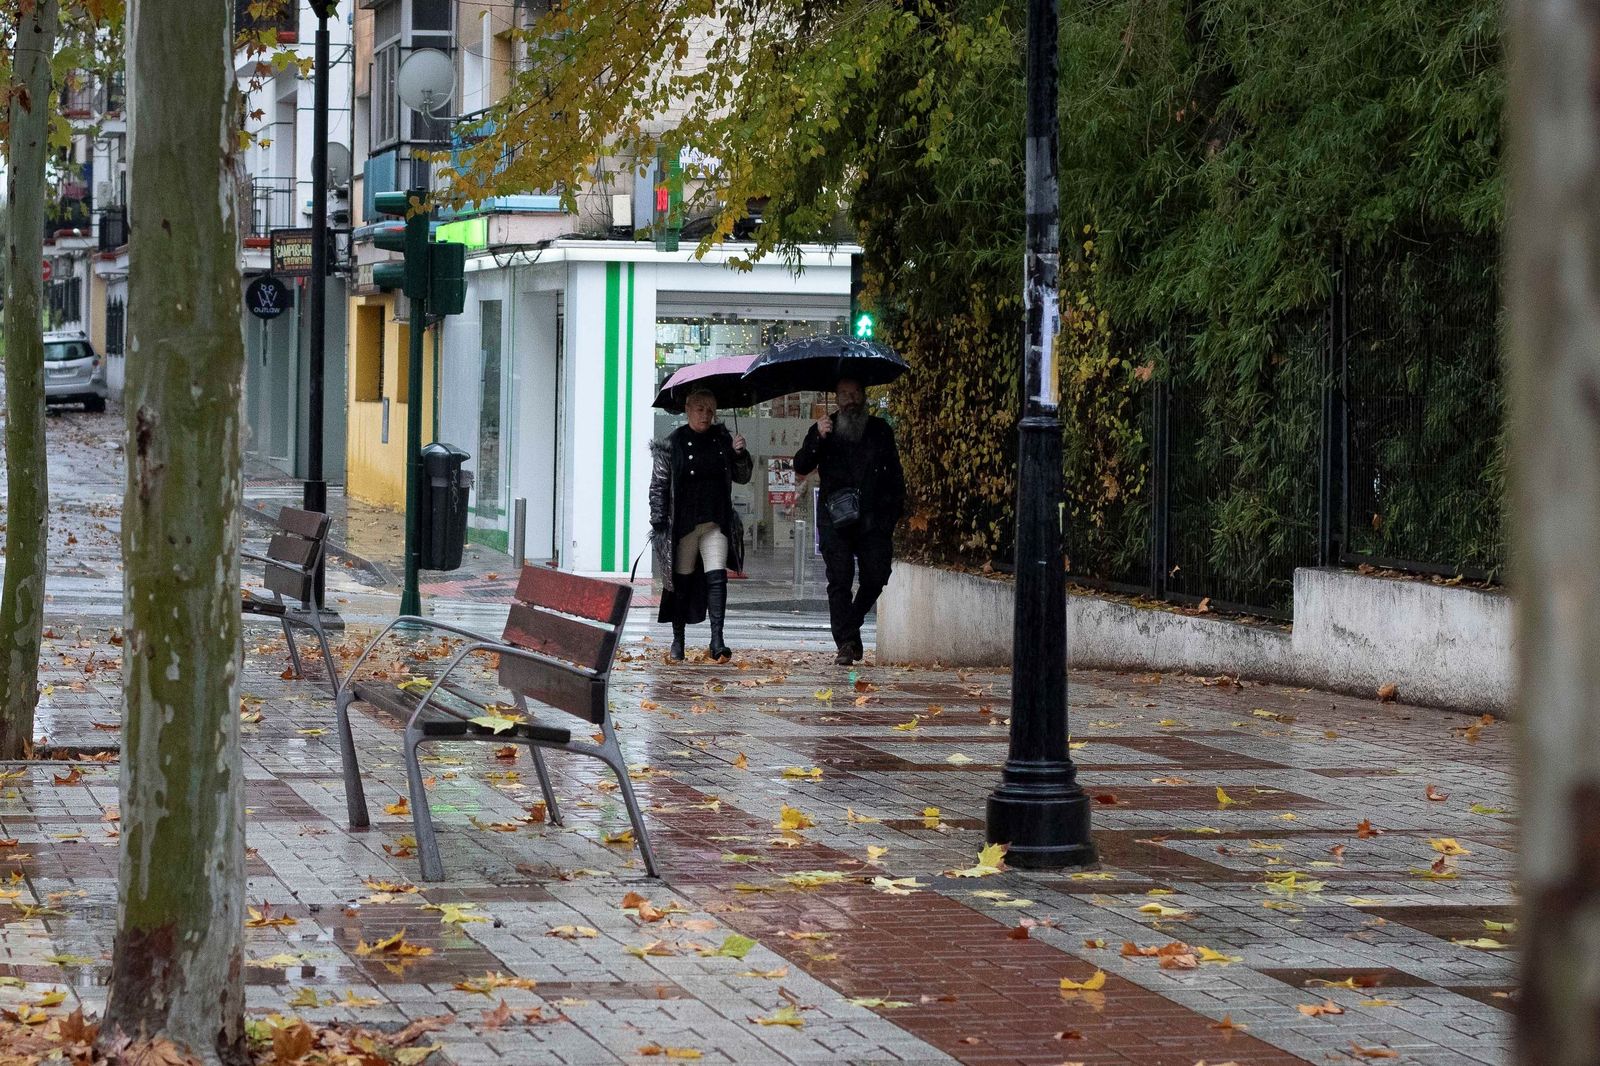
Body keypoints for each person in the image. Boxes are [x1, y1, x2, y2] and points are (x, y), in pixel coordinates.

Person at [793, 377, 905, 665]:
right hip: (835, 518)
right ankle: (845, 643)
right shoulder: (824, 429)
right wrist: (818, 436)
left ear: (864, 396)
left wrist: (890, 516)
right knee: (839, 580)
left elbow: (895, 476)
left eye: (855, 393)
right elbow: (801, 465)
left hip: (873, 519)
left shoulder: (880, 430)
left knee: (877, 576)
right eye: (844, 394)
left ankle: (850, 625)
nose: (850, 399)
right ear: (837, 398)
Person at [649, 387, 753, 662]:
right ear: (687, 410)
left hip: (715, 521)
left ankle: (717, 639)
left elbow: (742, 476)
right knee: (680, 583)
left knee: (717, 579)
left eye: (710, 410)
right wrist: (659, 524)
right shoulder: (672, 443)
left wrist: (740, 454)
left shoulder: (723, 439)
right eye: (699, 409)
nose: (705, 415)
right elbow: (658, 486)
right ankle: (678, 638)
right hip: (683, 526)